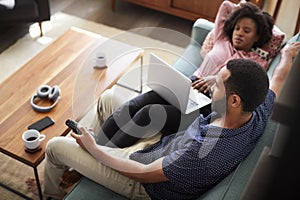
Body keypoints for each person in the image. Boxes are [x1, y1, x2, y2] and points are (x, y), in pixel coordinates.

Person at [26, 42, 300, 199]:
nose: (211, 83)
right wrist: (287, 55)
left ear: (235, 100)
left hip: (144, 183)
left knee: (56, 146)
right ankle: (80, 163)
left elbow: (141, 174)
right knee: (109, 98)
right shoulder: (257, 109)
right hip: (160, 149)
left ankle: (53, 191)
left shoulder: (204, 153)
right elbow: (277, 78)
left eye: (218, 83)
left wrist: (94, 150)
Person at [94, 0, 276, 148]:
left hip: (209, 107)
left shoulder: (254, 61)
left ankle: (102, 152)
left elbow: (251, 86)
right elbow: (226, 6)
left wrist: (215, 80)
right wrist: (247, 8)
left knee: (149, 113)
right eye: (237, 28)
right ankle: (94, 143)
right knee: (135, 103)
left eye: (247, 31)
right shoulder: (222, 39)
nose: (239, 34)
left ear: (258, 37)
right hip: (189, 85)